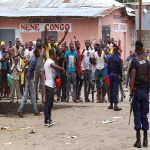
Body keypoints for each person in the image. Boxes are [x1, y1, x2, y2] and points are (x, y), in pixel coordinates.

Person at [130, 40, 150, 148]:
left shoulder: (134, 61)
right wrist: (148, 92)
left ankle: (138, 141)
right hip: (144, 90)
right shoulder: (147, 62)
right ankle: (145, 140)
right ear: (142, 49)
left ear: (135, 48)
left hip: (137, 91)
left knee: (137, 113)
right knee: (144, 114)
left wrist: (131, 92)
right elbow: (149, 77)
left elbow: (133, 77)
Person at [44, 48, 65, 127]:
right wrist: (62, 69)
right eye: (55, 54)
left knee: (50, 104)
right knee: (47, 104)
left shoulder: (47, 62)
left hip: (51, 84)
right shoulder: (49, 61)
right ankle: (46, 120)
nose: (56, 55)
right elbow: (55, 66)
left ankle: (49, 118)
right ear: (53, 53)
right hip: (49, 85)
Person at [17, 48, 41, 118]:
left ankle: (34, 110)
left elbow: (26, 63)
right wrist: (29, 82)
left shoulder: (33, 59)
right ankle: (21, 110)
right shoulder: (34, 60)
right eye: (39, 52)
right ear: (37, 54)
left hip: (28, 78)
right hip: (29, 78)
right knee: (29, 94)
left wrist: (21, 71)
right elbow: (29, 71)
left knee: (30, 94)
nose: (40, 53)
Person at [107, 44, 122, 111]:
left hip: (111, 74)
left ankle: (111, 104)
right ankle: (115, 105)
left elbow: (108, 67)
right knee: (115, 90)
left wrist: (109, 74)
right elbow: (120, 69)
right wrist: (121, 77)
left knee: (111, 89)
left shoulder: (110, 57)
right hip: (116, 75)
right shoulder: (118, 58)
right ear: (117, 50)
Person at [34, 38, 46, 104]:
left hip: (41, 69)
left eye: (39, 41)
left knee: (42, 85)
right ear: (36, 43)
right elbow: (33, 58)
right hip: (36, 70)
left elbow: (45, 58)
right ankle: (35, 98)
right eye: (38, 41)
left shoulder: (43, 50)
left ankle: (42, 99)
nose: (39, 42)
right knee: (35, 85)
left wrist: (44, 55)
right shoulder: (35, 50)